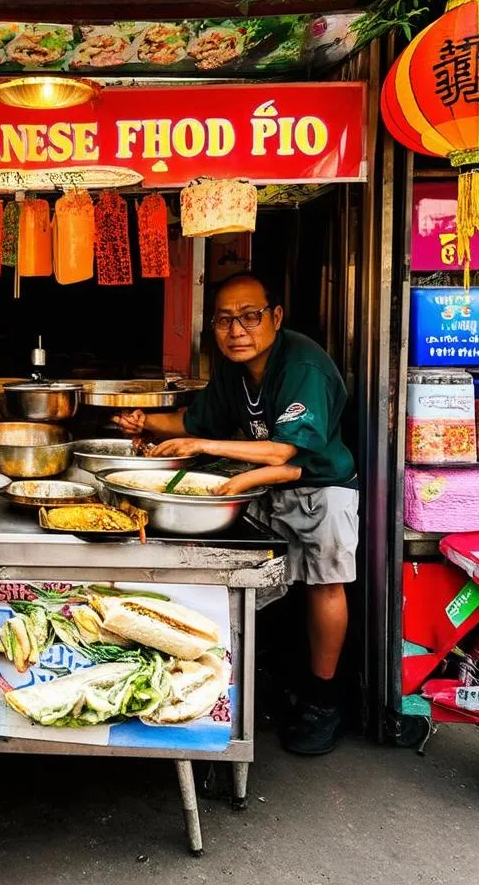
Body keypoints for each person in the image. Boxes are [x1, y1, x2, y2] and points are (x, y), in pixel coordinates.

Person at [113, 272, 358, 756]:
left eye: (249, 316)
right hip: (264, 487)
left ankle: (325, 699)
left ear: (276, 317)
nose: (236, 330)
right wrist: (146, 423)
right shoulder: (234, 369)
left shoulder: (302, 365)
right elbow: (195, 420)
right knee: (263, 584)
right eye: (224, 320)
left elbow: (286, 452)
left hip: (319, 487)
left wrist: (206, 449)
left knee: (324, 583)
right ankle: (277, 677)